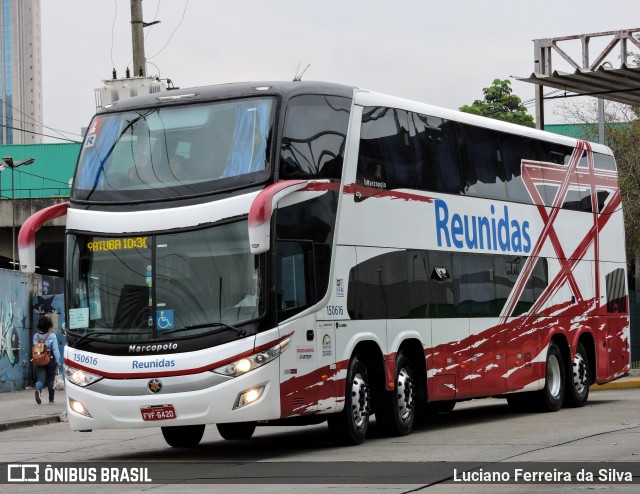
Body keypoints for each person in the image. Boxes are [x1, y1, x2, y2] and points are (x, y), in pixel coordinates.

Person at [33, 315, 61, 405]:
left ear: (39, 326)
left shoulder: (35, 336)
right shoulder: (52, 336)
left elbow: (36, 348)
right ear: (49, 326)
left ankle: (37, 389)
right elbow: (56, 350)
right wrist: (58, 361)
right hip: (50, 359)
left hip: (39, 359)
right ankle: (51, 400)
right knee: (50, 379)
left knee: (41, 379)